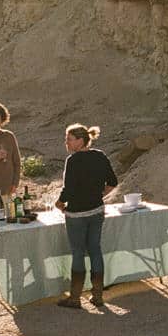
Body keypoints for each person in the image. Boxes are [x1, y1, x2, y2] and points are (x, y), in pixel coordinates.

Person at [55, 121, 117, 310]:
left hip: (77, 214)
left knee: (78, 252)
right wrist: (98, 195)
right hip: (97, 210)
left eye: (70, 139)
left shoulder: (73, 161)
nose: (66, 143)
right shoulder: (100, 156)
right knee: (95, 250)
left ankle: (75, 297)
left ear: (81, 141)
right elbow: (112, 181)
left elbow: (69, 188)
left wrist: (59, 202)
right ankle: (97, 295)